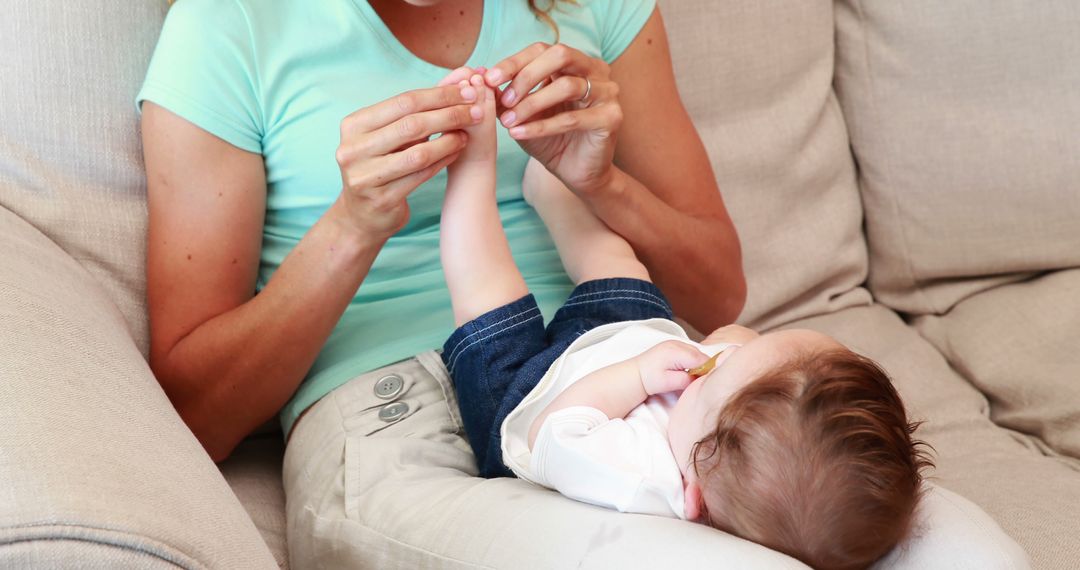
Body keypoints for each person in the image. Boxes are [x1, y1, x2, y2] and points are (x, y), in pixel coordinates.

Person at [137, 0, 1028, 567]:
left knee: (896, 528)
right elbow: (199, 415)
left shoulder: (592, 7)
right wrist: (353, 224)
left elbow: (716, 298)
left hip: (633, 368)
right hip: (385, 399)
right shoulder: (229, 28)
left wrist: (596, 181)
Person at [441, 72, 931, 569]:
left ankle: (470, 170)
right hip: (627, 338)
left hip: (529, 394)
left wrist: (635, 376)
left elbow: (557, 429)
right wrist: (736, 344)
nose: (720, 356)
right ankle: (555, 187)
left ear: (694, 496)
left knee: (487, 293)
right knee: (618, 265)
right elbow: (737, 354)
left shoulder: (642, 477)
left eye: (716, 377)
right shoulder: (736, 430)